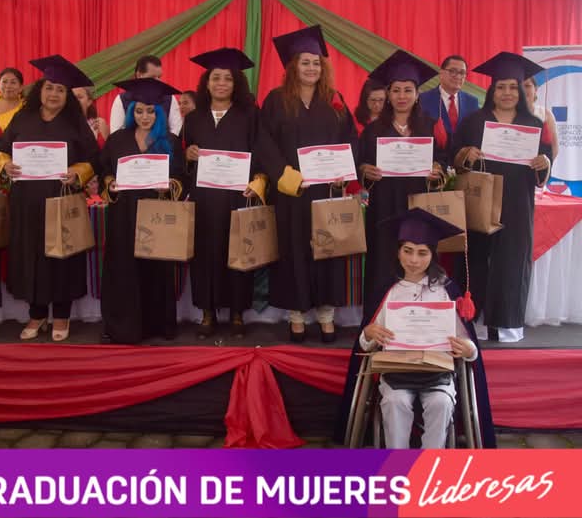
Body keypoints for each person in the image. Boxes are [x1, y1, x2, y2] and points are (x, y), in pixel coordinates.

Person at [335, 208, 495, 449]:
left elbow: (468, 342)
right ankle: (398, 462)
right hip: (396, 372)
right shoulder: (388, 290)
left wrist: (468, 349)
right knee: (394, 401)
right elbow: (367, 344)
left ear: (433, 255)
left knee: (441, 403)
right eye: (407, 250)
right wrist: (368, 334)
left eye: (422, 253)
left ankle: (429, 461)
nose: (413, 260)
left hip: (437, 372)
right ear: (398, 251)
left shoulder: (445, 290)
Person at [255, 25, 357, 343]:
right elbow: (264, 143)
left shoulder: (335, 100)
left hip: (325, 191)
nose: (311, 68)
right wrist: (285, 176)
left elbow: (349, 141)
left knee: (327, 251)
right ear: (293, 66)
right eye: (305, 62)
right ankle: (296, 316)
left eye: (316, 62)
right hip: (292, 191)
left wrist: (343, 173)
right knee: (293, 251)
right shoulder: (276, 100)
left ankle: (326, 316)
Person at [0, 55, 98, 342]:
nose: (54, 94)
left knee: (62, 257)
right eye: (49, 87)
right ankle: (37, 314)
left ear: (67, 95)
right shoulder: (22, 117)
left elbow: (94, 159)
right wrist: (5, 165)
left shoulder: (75, 122)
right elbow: (2, 149)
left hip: (61, 199)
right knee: (30, 256)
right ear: (40, 90)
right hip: (26, 201)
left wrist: (77, 172)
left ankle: (62, 315)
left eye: (60, 90)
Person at [453, 52, 553, 343]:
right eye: (500, 87)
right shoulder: (474, 121)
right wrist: (466, 155)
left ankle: (507, 324)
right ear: (491, 90)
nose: (507, 93)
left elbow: (545, 163)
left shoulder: (533, 124)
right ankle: (476, 322)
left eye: (512, 87)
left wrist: (544, 163)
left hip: (517, 203)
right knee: (478, 259)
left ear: (521, 90)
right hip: (479, 202)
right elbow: (454, 160)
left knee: (512, 261)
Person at [358, 50, 445, 318]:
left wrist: (437, 171)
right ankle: (378, 319)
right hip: (383, 206)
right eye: (396, 90)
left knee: (416, 260)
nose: (402, 96)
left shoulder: (431, 126)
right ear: (388, 94)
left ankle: (417, 320)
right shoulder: (373, 130)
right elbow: (360, 163)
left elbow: (444, 162)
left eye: (408, 90)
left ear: (417, 94)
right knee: (383, 261)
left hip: (418, 205)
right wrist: (365, 171)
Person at [99, 77, 186, 344]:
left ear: (159, 112)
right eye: (139, 111)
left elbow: (181, 176)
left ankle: (156, 325)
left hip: (156, 214)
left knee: (156, 270)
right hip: (123, 215)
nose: (144, 116)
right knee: (123, 270)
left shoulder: (170, 141)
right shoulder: (117, 139)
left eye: (150, 111)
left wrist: (170, 185)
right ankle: (123, 327)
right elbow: (104, 171)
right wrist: (109, 184)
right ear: (131, 112)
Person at [183, 48, 263, 338]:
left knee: (238, 249)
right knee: (205, 253)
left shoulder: (250, 115)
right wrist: (188, 155)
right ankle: (207, 311)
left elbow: (260, 153)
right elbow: (183, 157)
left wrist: (256, 182)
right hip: (204, 197)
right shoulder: (194, 118)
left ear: (236, 83)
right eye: (216, 78)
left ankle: (237, 312)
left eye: (228, 79)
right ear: (206, 83)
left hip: (236, 195)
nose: (221, 84)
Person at [419, 55, 480, 157]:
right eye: (452, 71)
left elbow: (474, 136)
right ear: (441, 73)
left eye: (462, 73)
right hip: (433, 161)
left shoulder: (472, 102)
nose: (458, 76)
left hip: (462, 162)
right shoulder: (423, 100)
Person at [108, 55, 183, 135]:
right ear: (139, 75)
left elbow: (176, 129)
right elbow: (116, 132)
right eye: (153, 77)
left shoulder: (169, 98)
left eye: (159, 77)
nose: (158, 81)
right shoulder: (122, 99)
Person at [523, 75, 559, 161]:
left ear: (535, 89)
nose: (523, 90)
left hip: (539, 167)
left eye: (527, 86)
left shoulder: (545, 114)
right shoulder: (507, 114)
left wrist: (546, 165)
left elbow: (554, 147)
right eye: (519, 87)